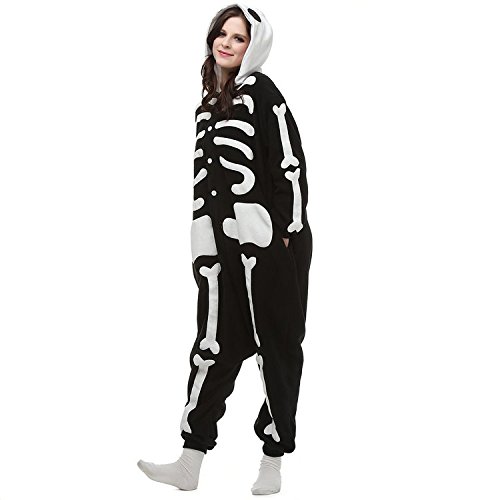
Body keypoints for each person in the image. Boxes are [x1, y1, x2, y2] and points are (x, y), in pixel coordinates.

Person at [137, 3, 313, 495]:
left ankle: (273, 460)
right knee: (213, 345)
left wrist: (283, 233)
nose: (227, 43)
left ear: (253, 45)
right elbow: (203, 181)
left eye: (238, 37)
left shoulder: (263, 92)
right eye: (222, 33)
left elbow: (290, 164)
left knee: (277, 348)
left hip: (269, 245)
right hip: (221, 248)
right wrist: (202, 238)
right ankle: (190, 461)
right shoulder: (207, 105)